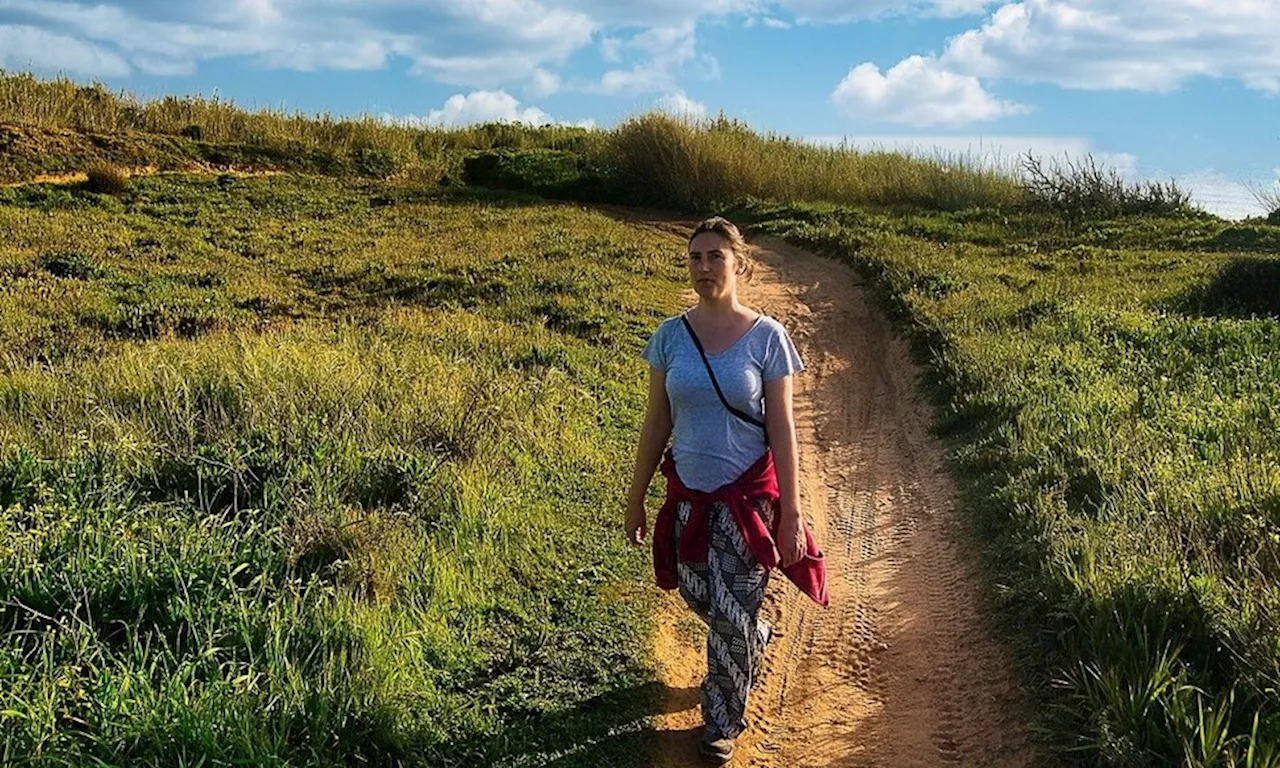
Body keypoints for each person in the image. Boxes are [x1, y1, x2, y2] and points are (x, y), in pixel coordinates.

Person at [625, 216, 827, 764]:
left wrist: (791, 515)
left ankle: (720, 720)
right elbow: (656, 421)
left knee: (730, 616)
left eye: (715, 256)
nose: (704, 266)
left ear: (739, 264)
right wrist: (636, 494)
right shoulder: (670, 337)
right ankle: (750, 631)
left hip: (747, 503)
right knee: (698, 592)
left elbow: (783, 428)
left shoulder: (768, 338)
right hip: (688, 498)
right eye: (696, 257)